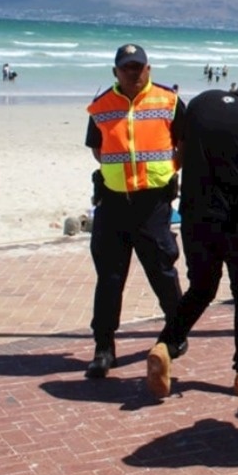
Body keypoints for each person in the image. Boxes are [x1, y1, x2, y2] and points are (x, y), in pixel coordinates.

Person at [145, 77, 238, 399]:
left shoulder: (202, 102)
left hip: (195, 215)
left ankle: (166, 345)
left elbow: (182, 148)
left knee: (202, 287)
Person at [84, 44, 185, 379]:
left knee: (162, 270)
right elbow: (98, 150)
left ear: (149, 69)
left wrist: (166, 172)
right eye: (126, 68)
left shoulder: (169, 102)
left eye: (138, 67)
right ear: (115, 72)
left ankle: (177, 331)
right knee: (110, 278)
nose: (133, 73)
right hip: (113, 203)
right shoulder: (100, 107)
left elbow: (183, 144)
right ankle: (103, 348)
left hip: (153, 203)